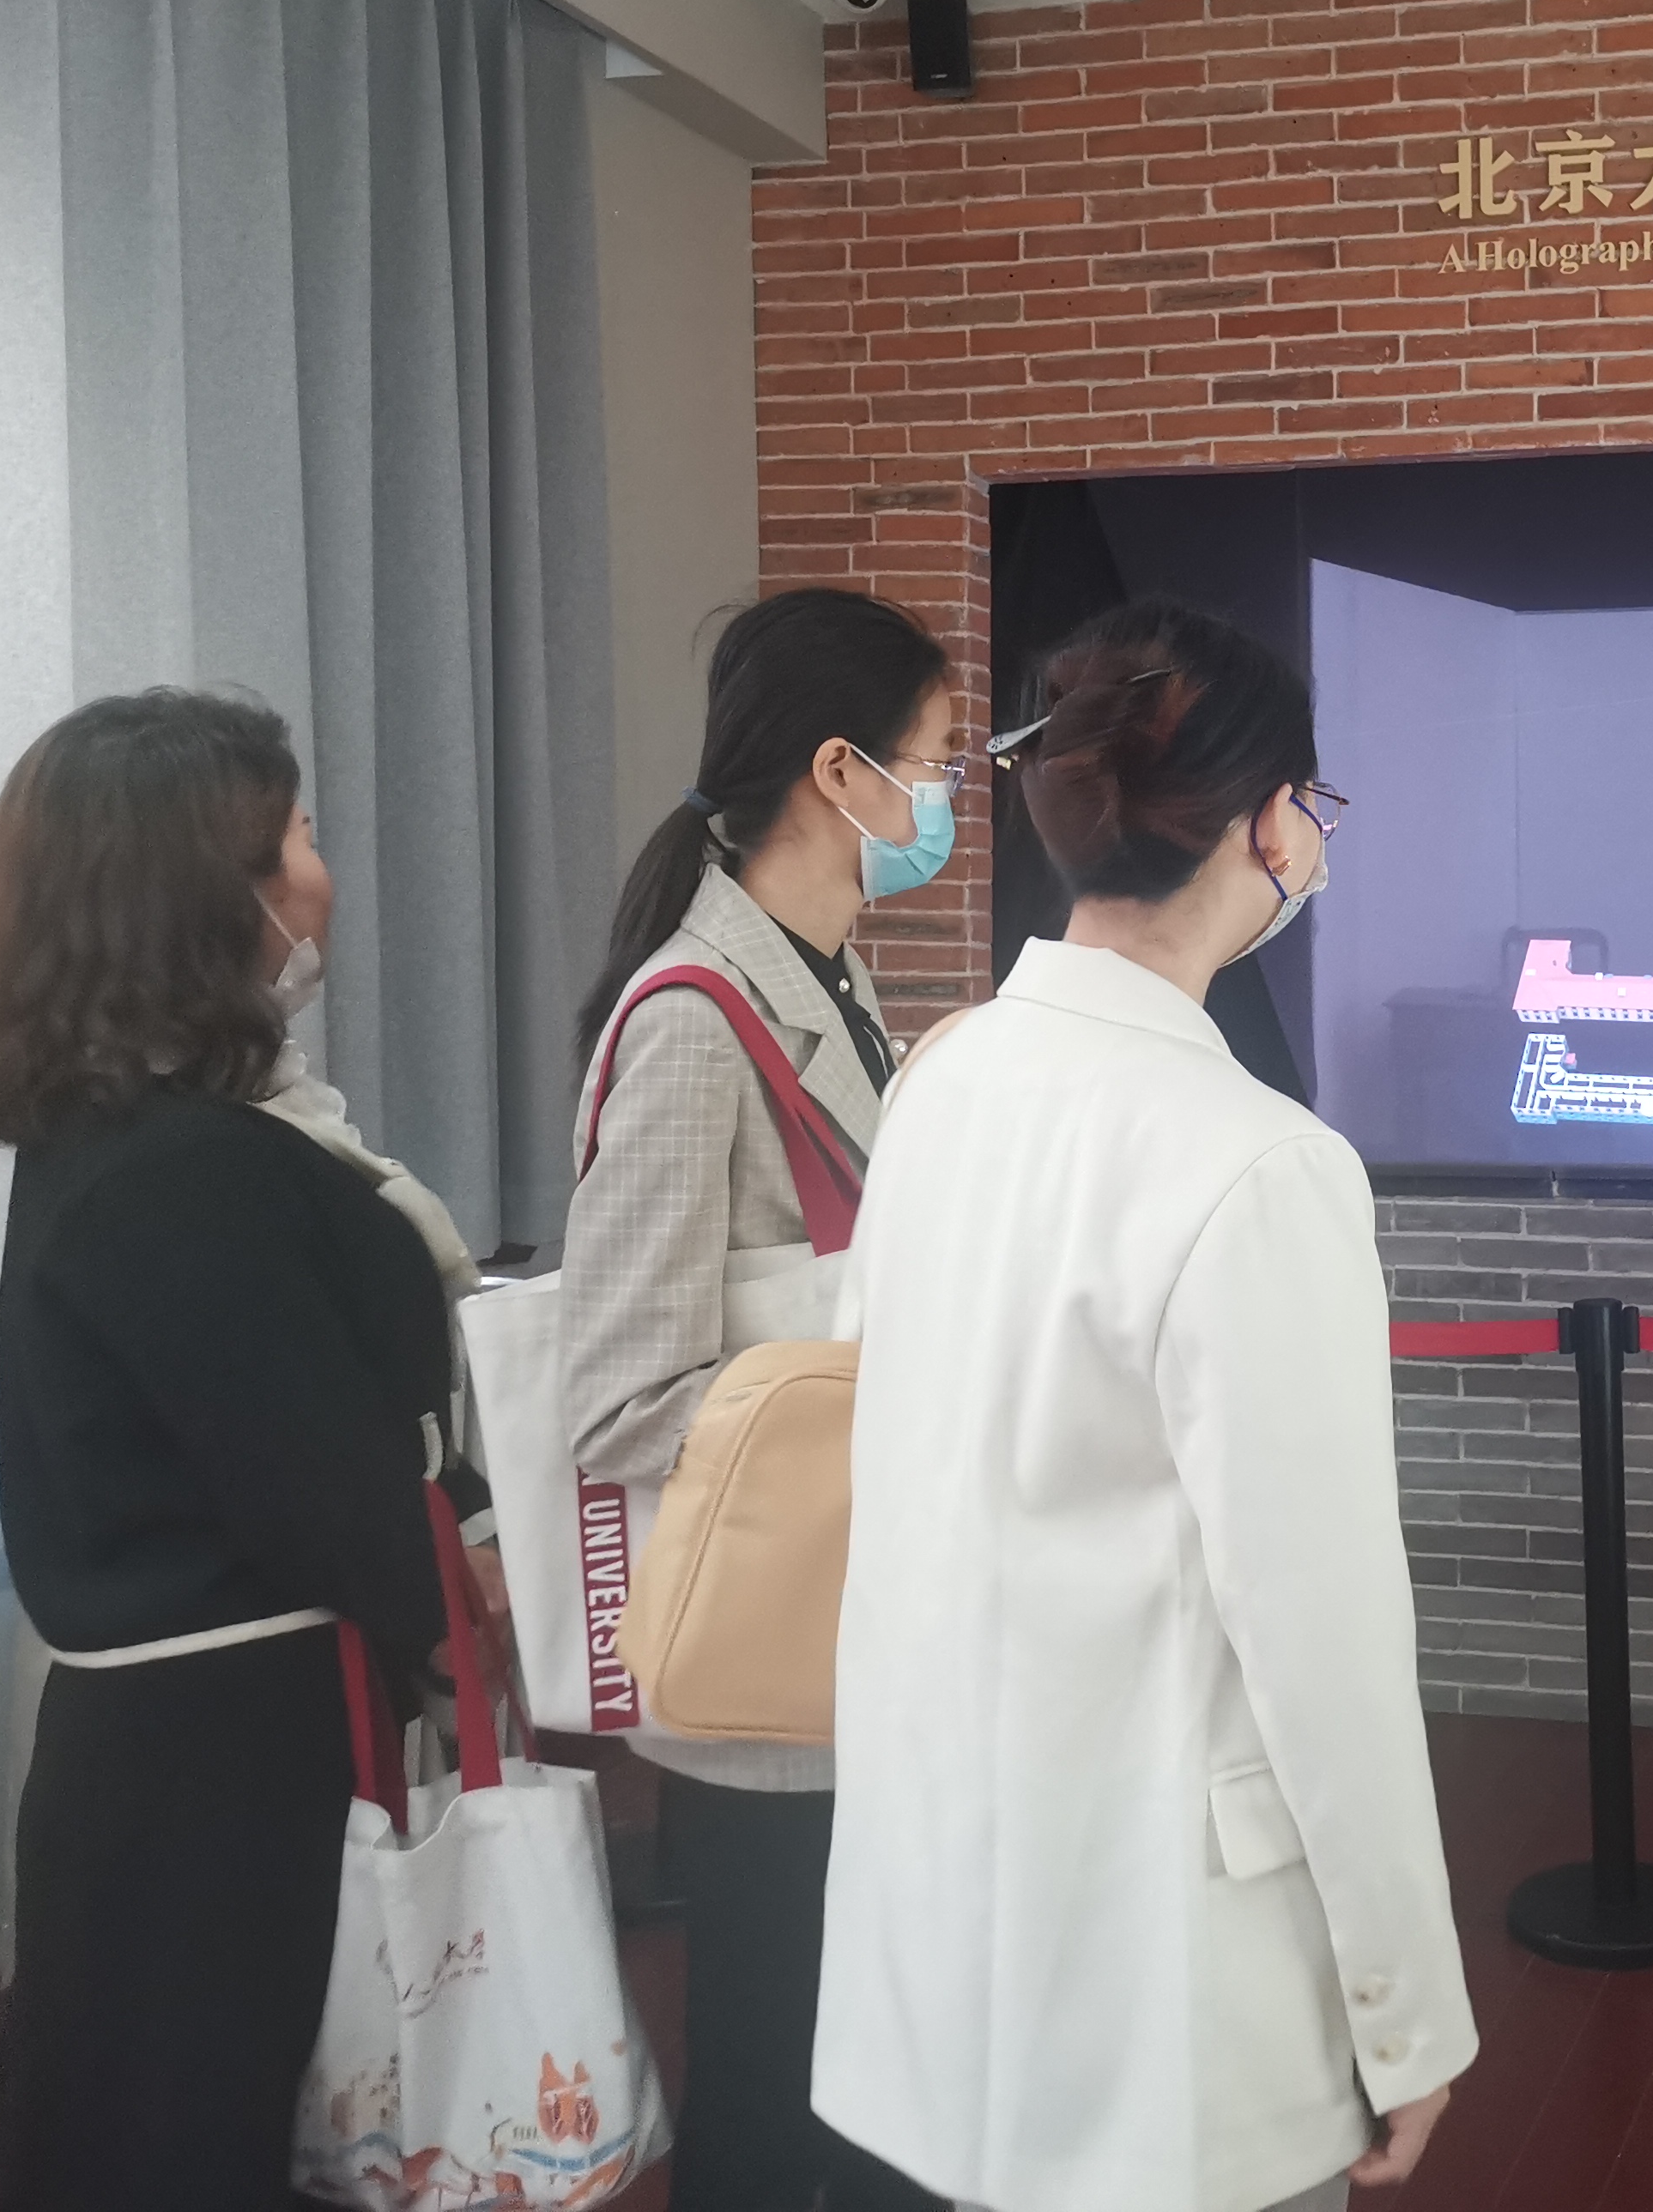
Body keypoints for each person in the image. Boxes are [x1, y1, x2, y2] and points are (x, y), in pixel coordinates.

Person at [818, 598, 1474, 2212]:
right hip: (1172, 1987)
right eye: (1311, 806)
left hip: (936, 1929)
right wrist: (1409, 2019)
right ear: (1267, 827)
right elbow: (1324, 1645)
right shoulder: (1261, 1164)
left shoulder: (940, 1082)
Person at [0, 690, 481, 2212]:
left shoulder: (135, 1128)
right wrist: (475, 1598)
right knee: (186, 2135)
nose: (323, 876)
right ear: (207, 895)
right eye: (299, 837)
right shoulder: (187, 1167)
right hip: (225, 1767)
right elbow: (322, 1487)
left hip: (185, 1745)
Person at [557, 585, 956, 2212]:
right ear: (838, 772)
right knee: (780, 2112)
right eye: (931, 761)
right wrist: (876, 1402)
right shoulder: (693, 1020)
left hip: (857, 1650)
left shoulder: (831, 978)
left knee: (869, 2099)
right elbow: (620, 1395)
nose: (945, 799)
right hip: (772, 1689)